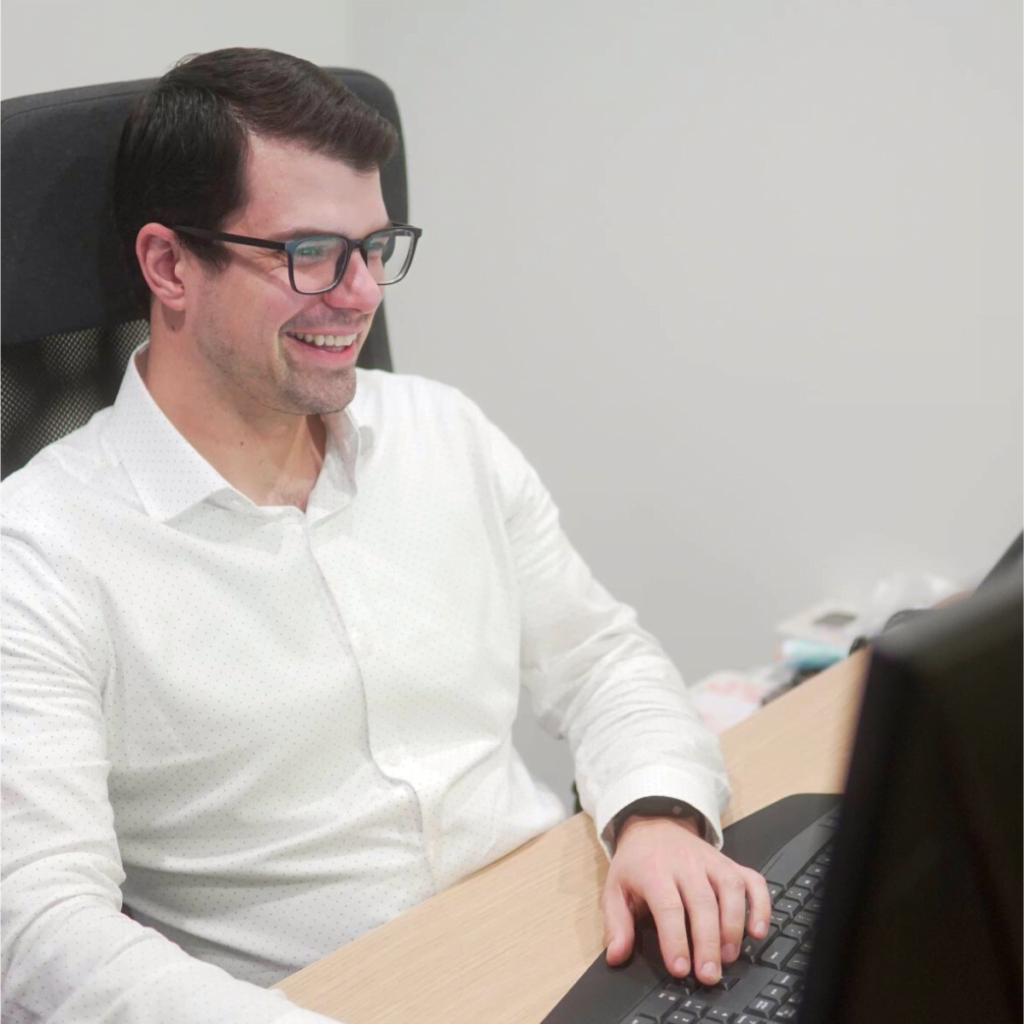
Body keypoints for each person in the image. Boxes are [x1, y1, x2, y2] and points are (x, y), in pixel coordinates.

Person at [0, 48, 770, 1023]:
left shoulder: (441, 432)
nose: (362, 294)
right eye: (311, 254)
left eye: (376, 247)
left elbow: (602, 661)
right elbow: (37, 930)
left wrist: (656, 815)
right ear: (168, 265)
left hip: (580, 946)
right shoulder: (41, 554)